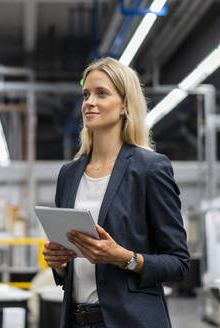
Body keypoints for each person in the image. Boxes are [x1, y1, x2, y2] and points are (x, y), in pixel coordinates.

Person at [42, 57, 190, 328]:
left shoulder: (150, 169)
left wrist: (123, 257)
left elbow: (178, 263)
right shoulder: (69, 174)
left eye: (101, 93)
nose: (89, 102)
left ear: (124, 105)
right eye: (86, 94)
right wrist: (59, 263)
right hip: (76, 320)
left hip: (130, 321)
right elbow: (72, 266)